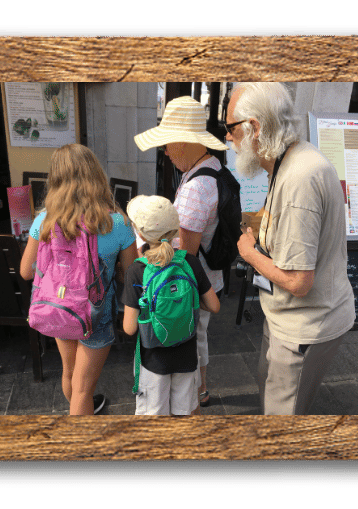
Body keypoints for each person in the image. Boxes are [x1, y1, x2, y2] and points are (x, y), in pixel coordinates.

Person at [226, 82, 356, 415]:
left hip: (305, 323)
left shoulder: (299, 178)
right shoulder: (289, 158)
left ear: (254, 128)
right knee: (269, 389)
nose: (228, 138)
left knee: (281, 416)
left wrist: (249, 253)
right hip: (287, 317)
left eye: (230, 128)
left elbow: (299, 282)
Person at [20, 144, 137, 415]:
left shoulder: (44, 221)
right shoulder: (117, 223)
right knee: (84, 389)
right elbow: (130, 274)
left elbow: (26, 271)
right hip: (97, 314)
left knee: (70, 373)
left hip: (60, 307)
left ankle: (81, 411)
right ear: (96, 176)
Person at [134, 96, 228, 409]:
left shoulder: (195, 189)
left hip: (189, 287)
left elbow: (183, 258)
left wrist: (146, 246)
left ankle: (193, 395)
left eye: (168, 143)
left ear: (184, 142)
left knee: (192, 336)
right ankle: (200, 390)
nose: (165, 151)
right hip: (210, 276)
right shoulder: (214, 168)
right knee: (199, 334)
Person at [121, 195, 220, 415]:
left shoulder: (137, 270)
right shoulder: (190, 262)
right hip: (187, 357)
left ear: (140, 234)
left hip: (153, 362)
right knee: (185, 414)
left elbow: (129, 327)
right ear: (175, 230)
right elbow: (214, 306)